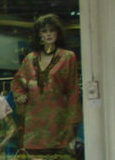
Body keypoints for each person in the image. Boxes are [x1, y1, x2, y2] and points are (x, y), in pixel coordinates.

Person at [10, 14, 81, 152]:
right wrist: (19, 95)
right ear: (39, 34)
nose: (49, 34)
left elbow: (73, 90)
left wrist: (73, 123)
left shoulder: (67, 57)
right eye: (44, 31)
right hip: (34, 119)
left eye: (52, 30)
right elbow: (17, 81)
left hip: (57, 117)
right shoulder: (30, 59)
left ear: (58, 32)